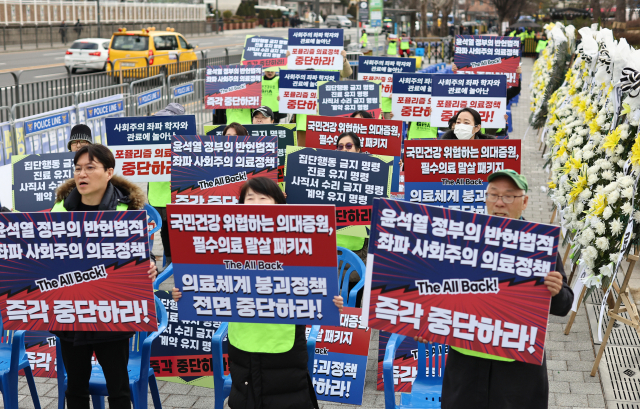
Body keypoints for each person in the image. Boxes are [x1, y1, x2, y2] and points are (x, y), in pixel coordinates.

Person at [172, 176, 344, 409]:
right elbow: (209, 283)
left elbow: (317, 286)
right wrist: (186, 294)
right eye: (249, 198)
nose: (255, 202)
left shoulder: (300, 238)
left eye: (263, 198)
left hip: (285, 340)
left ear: (278, 204)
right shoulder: (225, 242)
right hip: (243, 338)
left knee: (288, 398)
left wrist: (331, 300)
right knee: (245, 398)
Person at [417, 169, 573, 409]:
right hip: (466, 364)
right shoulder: (462, 238)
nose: (500, 202)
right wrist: (424, 323)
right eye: (494, 195)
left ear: (525, 201)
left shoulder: (538, 245)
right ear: (486, 198)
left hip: (518, 371)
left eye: (509, 196)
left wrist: (557, 290)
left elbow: (564, 306)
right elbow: (437, 292)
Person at [52, 144, 158, 409]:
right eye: (78, 169)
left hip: (113, 314)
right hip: (71, 313)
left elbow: (143, 255)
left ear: (109, 172)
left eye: (90, 167)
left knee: (119, 389)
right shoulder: (60, 210)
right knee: (74, 387)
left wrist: (152, 264)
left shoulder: (128, 211)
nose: (82, 174)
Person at [147, 102, 186, 272]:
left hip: (177, 194)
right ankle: (170, 262)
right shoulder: (151, 139)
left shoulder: (186, 139)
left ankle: (181, 261)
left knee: (178, 230)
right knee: (164, 231)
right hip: (157, 195)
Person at [289, 50, 353, 146]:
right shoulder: (304, 58)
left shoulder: (334, 60)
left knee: (325, 150)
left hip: (328, 117)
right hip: (305, 116)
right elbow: (290, 79)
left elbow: (347, 73)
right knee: (303, 151)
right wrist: (287, 58)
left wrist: (343, 59)